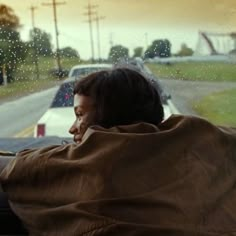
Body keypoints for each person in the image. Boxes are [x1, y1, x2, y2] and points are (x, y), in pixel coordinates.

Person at [0, 67, 236, 236]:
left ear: (108, 117)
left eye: (80, 115)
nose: (72, 128)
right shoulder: (200, 138)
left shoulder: (89, 163)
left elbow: (19, 170)